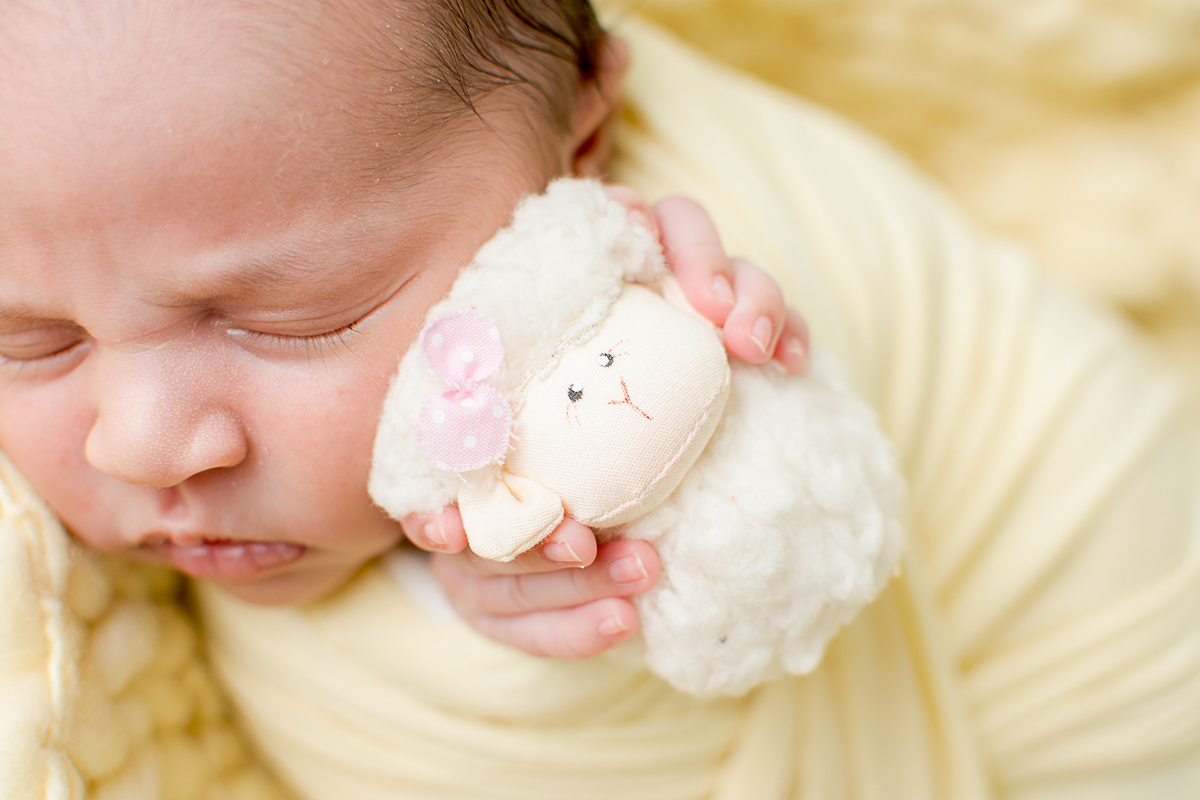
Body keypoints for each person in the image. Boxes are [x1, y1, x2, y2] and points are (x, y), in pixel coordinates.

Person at [0, 0, 807, 660]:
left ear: (582, 148)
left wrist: (708, 422)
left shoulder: (708, 255)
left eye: (295, 320)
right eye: (29, 340)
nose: (139, 449)